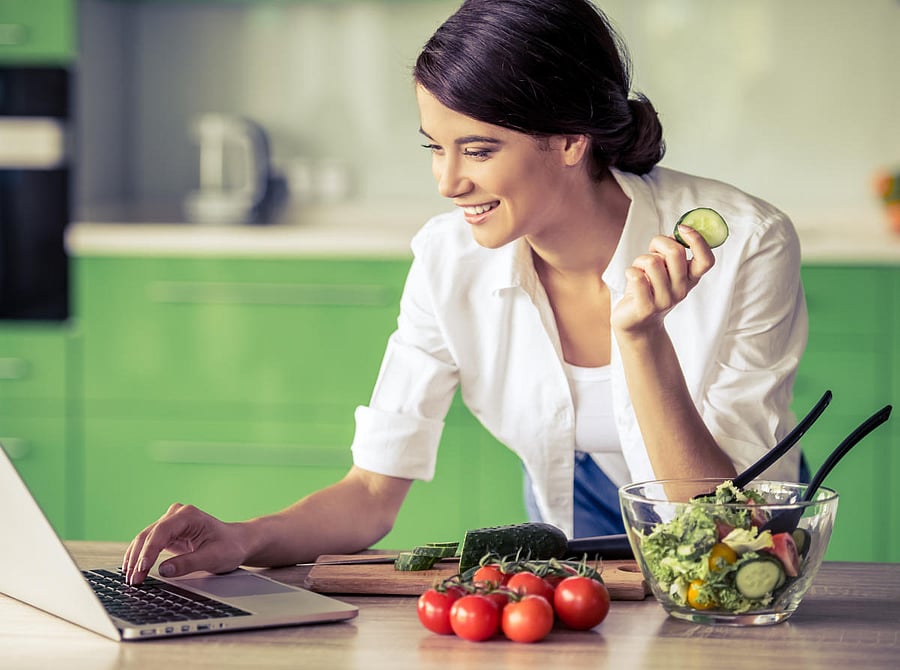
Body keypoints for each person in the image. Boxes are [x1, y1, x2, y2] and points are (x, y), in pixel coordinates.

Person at [122, 0, 807, 585]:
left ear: (570, 139)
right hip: (576, 543)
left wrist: (640, 335)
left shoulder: (745, 243)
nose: (448, 182)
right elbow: (369, 495)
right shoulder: (448, 259)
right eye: (434, 148)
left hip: (734, 540)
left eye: (477, 151)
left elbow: (725, 529)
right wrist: (244, 539)